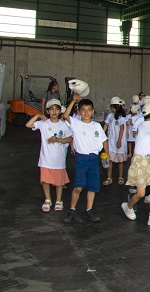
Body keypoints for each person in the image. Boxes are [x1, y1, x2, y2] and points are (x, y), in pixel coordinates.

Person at [121, 101, 150, 228]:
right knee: (141, 194)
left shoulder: (148, 126)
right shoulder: (146, 124)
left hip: (149, 160)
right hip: (140, 162)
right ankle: (128, 206)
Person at [62, 94, 109, 224]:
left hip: (94, 159)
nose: (86, 112)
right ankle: (72, 209)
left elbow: (104, 141)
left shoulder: (97, 126)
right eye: (83, 110)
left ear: (93, 111)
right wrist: (73, 101)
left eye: (89, 110)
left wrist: (106, 154)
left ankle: (89, 210)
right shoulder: (76, 124)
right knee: (78, 186)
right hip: (81, 158)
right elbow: (65, 116)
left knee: (92, 187)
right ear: (79, 111)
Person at [26, 99, 73, 212]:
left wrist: (58, 139)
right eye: (51, 109)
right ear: (47, 111)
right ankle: (47, 199)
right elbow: (28, 125)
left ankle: (58, 200)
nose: (54, 111)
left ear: (60, 111)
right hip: (45, 159)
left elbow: (70, 138)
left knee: (59, 182)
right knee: (45, 181)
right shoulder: (43, 124)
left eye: (57, 109)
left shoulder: (64, 125)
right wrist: (37, 115)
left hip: (59, 159)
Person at [103, 97, 127, 185]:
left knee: (120, 161)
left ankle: (120, 177)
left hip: (119, 141)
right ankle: (109, 177)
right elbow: (105, 125)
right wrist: (102, 136)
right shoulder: (110, 116)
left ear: (114, 107)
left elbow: (122, 129)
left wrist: (119, 140)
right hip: (111, 141)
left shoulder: (122, 117)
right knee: (110, 160)